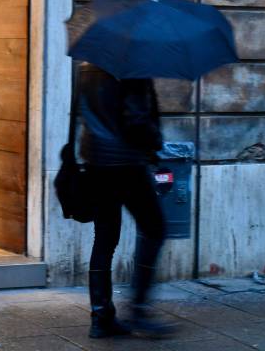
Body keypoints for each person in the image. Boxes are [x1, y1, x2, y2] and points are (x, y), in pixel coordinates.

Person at [78, 62, 173, 337]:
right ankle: (139, 310)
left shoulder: (86, 65)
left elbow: (84, 113)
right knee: (154, 229)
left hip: (96, 159)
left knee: (105, 238)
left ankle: (100, 316)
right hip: (127, 162)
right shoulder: (133, 66)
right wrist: (155, 144)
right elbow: (137, 121)